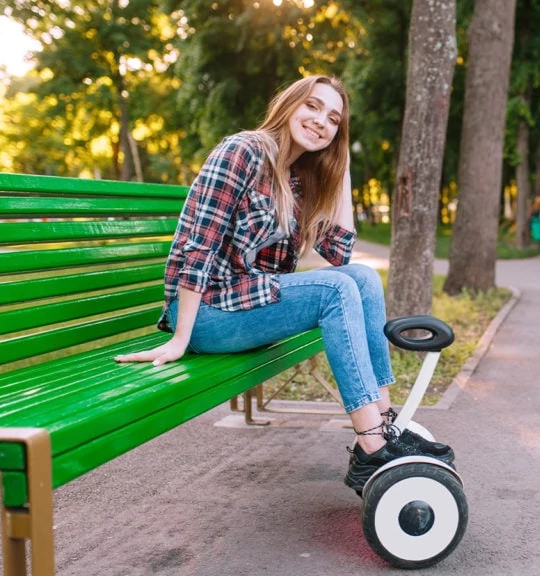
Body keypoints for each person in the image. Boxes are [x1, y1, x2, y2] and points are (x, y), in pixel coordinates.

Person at [114, 75, 453, 494]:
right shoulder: (242, 151)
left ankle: (385, 424)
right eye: (313, 106)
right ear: (289, 104)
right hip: (207, 313)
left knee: (362, 277)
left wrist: (342, 165)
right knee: (335, 291)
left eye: (334, 120)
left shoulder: (297, 177)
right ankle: (371, 444)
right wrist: (181, 337)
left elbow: (340, 253)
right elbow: (199, 247)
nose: (321, 121)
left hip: (247, 305)